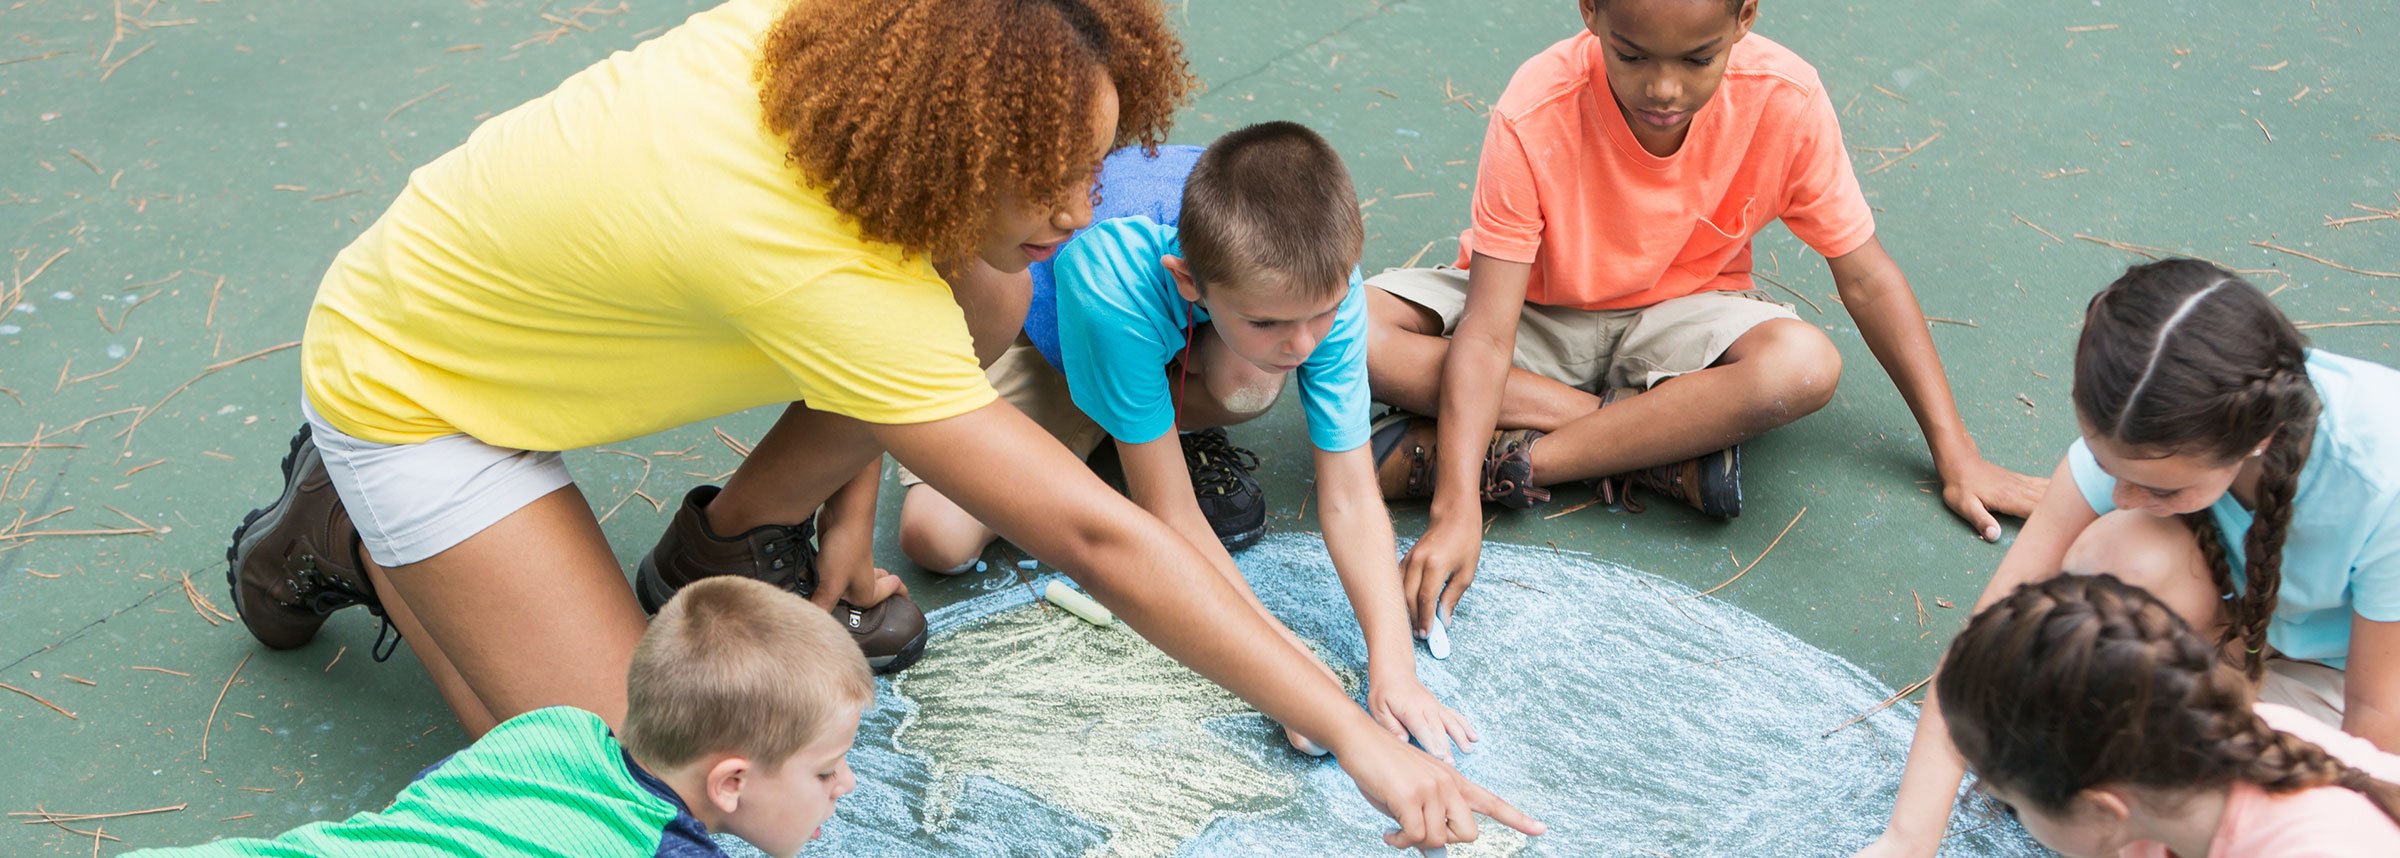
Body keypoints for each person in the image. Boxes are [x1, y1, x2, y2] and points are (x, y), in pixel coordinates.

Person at [221, 0, 1538, 849]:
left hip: (531, 310)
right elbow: (1099, 531)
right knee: (661, 790)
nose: (1089, 204)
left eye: (1096, 157)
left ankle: (720, 553)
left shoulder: (874, 57)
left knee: (989, 293)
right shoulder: (814, 263)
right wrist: (1357, 727)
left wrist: (849, 547)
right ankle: (351, 518)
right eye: (1052, 175)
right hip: (423, 393)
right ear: (948, 153)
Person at [1359, 0, 2041, 637]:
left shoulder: (1784, 98)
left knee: (1803, 366)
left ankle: (1511, 461)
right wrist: (1451, 512)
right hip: (1534, 314)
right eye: (1631, 56)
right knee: (1349, 330)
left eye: (1696, 59)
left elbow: (1866, 278)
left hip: (1682, 321)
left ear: (1744, 17)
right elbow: (1488, 330)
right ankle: (1655, 448)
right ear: (1590, 10)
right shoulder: (1536, 107)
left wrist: (1958, 456)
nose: (1663, 88)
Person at [898, 122, 1478, 758]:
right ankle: (1129, 427)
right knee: (938, 537)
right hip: (1049, 332)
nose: (1307, 343)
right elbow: (1171, 515)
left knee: (1251, 374)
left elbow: (1349, 494)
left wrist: (1395, 670)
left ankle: (1140, 420)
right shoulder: (1112, 273)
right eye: (1270, 321)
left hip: (1161, 343)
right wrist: (1295, 682)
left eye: (1324, 313)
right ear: (1187, 281)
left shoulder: (1318, 275)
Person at [1862, 259, 2400, 856]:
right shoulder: (2147, 414)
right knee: (2116, 557)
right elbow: (1984, 646)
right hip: (2263, 640)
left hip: (2365, 687)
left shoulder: (2381, 472)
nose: (2119, 497)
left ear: (2256, 441)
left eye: (2161, 489)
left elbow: (2377, 729)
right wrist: (1907, 840)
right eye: (2107, 468)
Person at [133, 577, 873, 858]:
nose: (845, 785)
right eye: (824, 768)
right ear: (732, 781)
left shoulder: (550, 729)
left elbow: (429, 805)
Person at [1938, 574, 2400, 857]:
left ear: (2104, 810)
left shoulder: (2313, 846)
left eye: (2016, 804)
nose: (2012, 813)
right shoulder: (2177, 774)